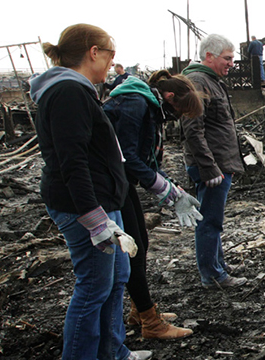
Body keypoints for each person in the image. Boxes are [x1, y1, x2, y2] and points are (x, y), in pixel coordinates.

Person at [28, 24, 151, 360]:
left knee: (117, 276)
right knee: (95, 285)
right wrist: (95, 219)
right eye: (110, 55)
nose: (113, 64)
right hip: (85, 205)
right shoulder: (68, 91)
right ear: (93, 52)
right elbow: (72, 161)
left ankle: (113, 351)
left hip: (101, 200)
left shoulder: (78, 89)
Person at [102, 70, 204, 339]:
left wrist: (174, 189)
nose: (175, 118)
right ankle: (149, 321)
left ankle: (140, 309)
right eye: (178, 111)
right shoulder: (135, 104)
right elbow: (128, 157)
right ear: (169, 97)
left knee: (141, 243)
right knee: (132, 247)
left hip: (120, 183)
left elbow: (148, 163)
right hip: (108, 184)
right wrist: (167, 190)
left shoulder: (145, 103)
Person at [181, 34, 247, 289]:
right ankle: (213, 275)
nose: (231, 63)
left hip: (218, 163)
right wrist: (209, 168)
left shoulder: (210, 81)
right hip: (212, 166)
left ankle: (217, 265)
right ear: (209, 56)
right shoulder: (199, 82)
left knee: (213, 216)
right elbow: (193, 130)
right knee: (209, 219)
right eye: (227, 58)